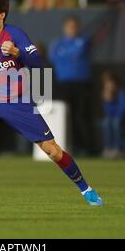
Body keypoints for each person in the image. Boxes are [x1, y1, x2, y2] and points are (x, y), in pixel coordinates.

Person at [0, 0, 103, 206]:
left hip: (19, 103)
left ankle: (86, 190)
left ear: (2, 15)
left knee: (52, 150)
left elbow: (38, 66)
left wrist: (16, 53)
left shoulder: (15, 35)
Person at [48, 16, 95, 156]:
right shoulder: (58, 43)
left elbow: (77, 53)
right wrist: (69, 55)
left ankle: (85, 147)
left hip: (81, 84)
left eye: (74, 26)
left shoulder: (84, 41)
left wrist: (65, 55)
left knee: (81, 116)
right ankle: (68, 145)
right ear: (65, 28)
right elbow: (54, 57)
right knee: (64, 116)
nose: (72, 29)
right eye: (69, 26)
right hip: (63, 84)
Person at [101, 71, 125, 159]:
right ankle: (108, 148)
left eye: (110, 83)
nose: (109, 86)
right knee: (106, 122)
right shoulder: (107, 94)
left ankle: (118, 148)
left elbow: (124, 110)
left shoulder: (123, 93)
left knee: (116, 122)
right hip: (114, 118)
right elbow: (107, 113)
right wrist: (108, 101)